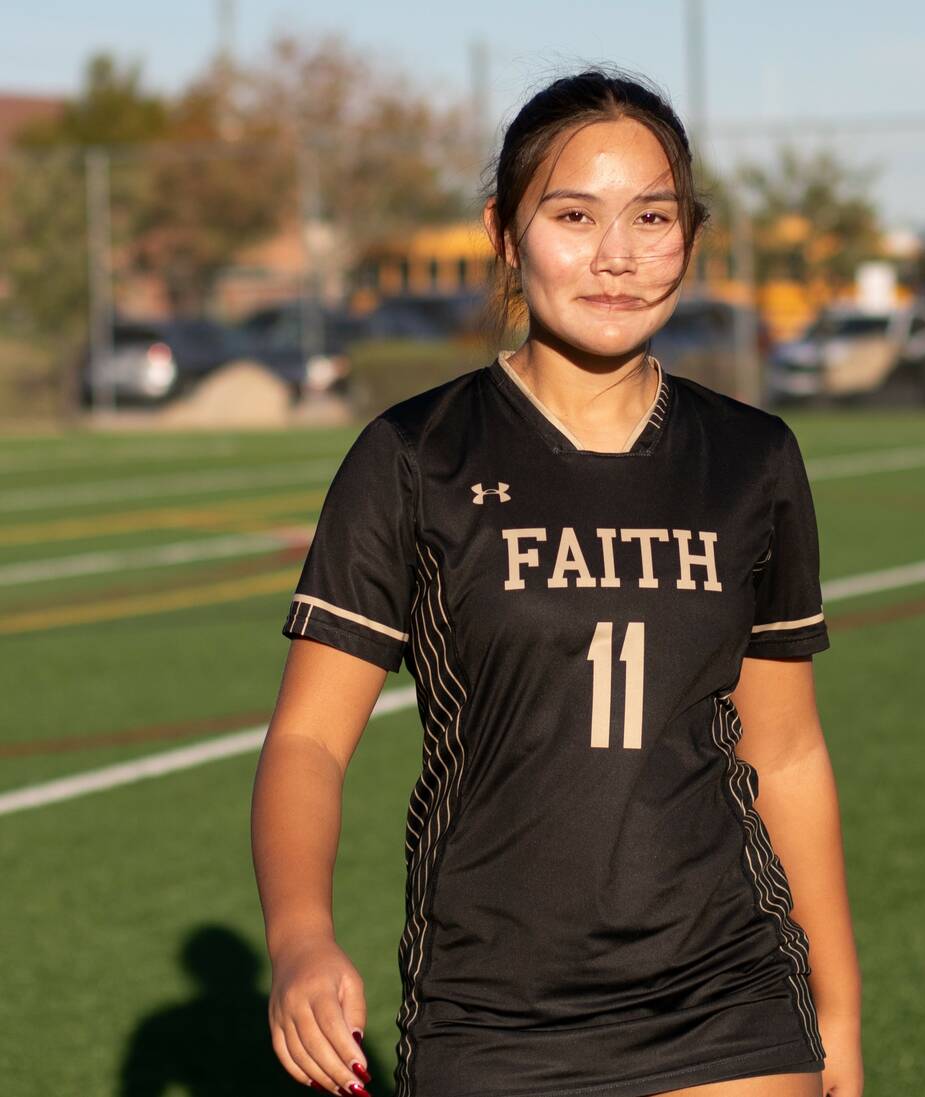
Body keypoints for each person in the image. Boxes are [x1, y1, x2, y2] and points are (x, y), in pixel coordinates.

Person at [252, 68, 863, 1097]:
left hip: (727, 988)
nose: (617, 255)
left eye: (652, 217)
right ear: (505, 230)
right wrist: (301, 936)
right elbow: (310, 737)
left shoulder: (751, 456)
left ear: (692, 236)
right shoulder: (414, 454)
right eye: (574, 215)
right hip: (493, 1007)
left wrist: (836, 1005)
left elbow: (789, 748)